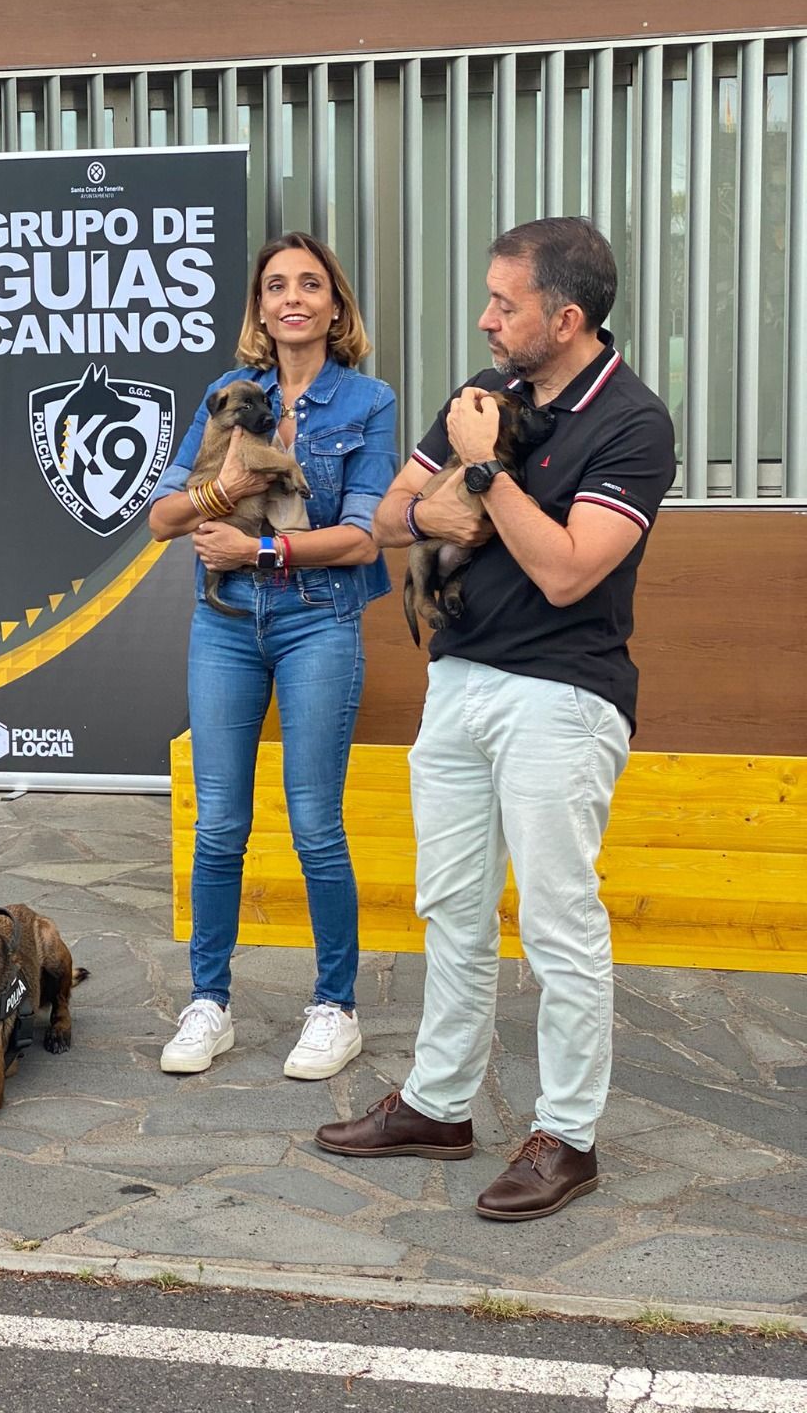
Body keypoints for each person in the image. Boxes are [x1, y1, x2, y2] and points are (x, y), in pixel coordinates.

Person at [315, 217, 676, 1220]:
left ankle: (568, 1134)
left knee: (559, 920)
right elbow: (388, 517)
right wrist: (464, 490)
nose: (484, 318)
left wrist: (482, 474)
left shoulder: (634, 423)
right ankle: (437, 1104)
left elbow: (566, 570)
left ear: (565, 319)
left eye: (503, 303)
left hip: (563, 694)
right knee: (452, 906)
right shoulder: (485, 401)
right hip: (461, 679)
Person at [149, 233, 398, 1081]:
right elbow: (161, 514)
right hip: (223, 626)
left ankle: (335, 1008)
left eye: (311, 285)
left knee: (314, 825)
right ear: (260, 307)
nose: (293, 297)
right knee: (217, 823)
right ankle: (208, 1003)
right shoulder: (225, 394)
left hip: (316, 620)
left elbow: (365, 537)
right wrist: (222, 494)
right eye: (276, 286)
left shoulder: (367, 400)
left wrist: (260, 553)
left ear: (335, 306)